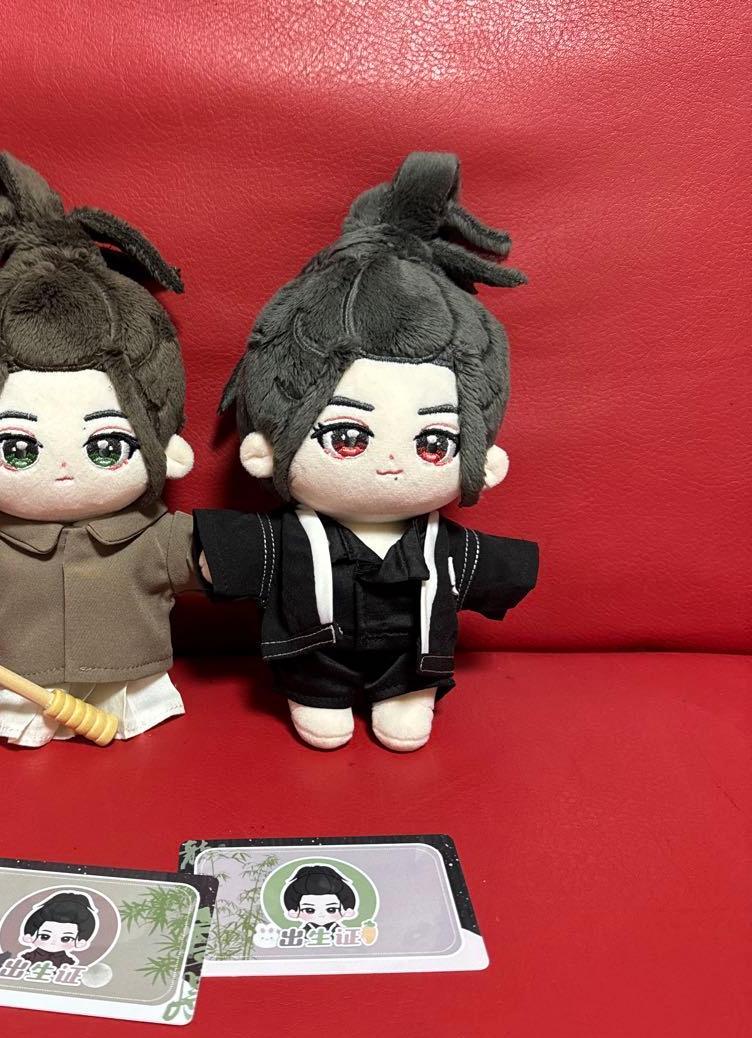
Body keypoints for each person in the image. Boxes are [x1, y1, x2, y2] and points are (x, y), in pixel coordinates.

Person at [195, 152, 539, 752]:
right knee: (319, 702)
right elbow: (213, 559)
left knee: (410, 692)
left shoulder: (445, 545)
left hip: (413, 666)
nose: (390, 464)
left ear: (483, 459)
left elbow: (499, 572)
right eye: (347, 437)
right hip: (314, 662)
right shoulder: (287, 538)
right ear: (265, 451)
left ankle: (405, 695)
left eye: (435, 443)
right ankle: (319, 695)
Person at [0, 153, 197, 747]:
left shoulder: (154, 536)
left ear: (165, 449)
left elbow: (208, 555)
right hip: (25, 684)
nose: (64, 470)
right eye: (16, 449)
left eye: (108, 446)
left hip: (131, 682)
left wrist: (233, 554)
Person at [18, 892, 98, 968]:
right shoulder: (27, 957)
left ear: (80, 942)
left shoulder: (68, 962)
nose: (53, 943)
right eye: (45, 936)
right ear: (30, 936)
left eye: (65, 939)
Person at [282, 865, 357, 936]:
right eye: (309, 910)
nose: (321, 915)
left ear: (346, 910)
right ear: (294, 911)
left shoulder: (343, 933)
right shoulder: (301, 933)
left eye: (331, 909)